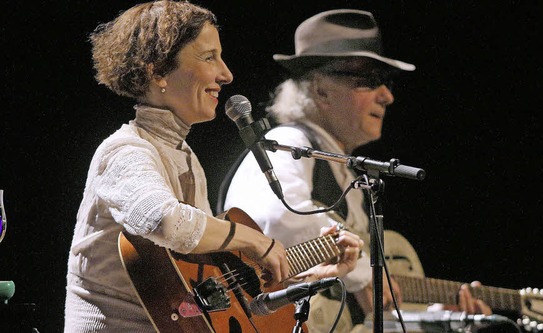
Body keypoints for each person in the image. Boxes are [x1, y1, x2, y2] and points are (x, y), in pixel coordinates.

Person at [63, 2, 362, 332]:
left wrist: (308, 278)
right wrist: (253, 240)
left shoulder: (186, 157)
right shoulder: (124, 150)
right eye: (209, 57)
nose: (226, 74)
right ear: (158, 70)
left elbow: (214, 296)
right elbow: (165, 221)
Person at [221, 9, 492, 332]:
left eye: (386, 82)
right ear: (320, 89)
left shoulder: (342, 170)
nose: (387, 96)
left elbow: (356, 302)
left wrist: (440, 313)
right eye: (369, 81)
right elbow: (279, 218)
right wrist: (364, 276)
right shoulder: (287, 141)